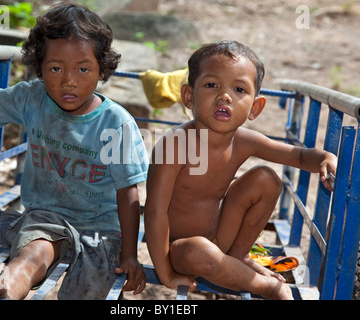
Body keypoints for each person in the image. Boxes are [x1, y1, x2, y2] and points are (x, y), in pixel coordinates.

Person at [0, 3, 148, 300]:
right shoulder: (32, 97)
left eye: (83, 68)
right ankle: (8, 286)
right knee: (33, 251)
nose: (68, 80)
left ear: (102, 69)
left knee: (89, 291)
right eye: (55, 68)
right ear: (39, 68)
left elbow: (128, 193)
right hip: (46, 218)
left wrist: (130, 254)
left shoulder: (116, 123)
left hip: (102, 230)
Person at [144, 41, 337, 300]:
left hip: (220, 238)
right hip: (181, 250)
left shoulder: (245, 141)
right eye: (211, 85)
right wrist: (165, 273)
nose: (225, 96)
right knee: (200, 252)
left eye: (239, 89)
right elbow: (155, 212)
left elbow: (299, 156)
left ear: (255, 108)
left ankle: (237, 258)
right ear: (189, 96)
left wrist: (325, 157)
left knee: (266, 179)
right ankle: (265, 286)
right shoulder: (174, 145)